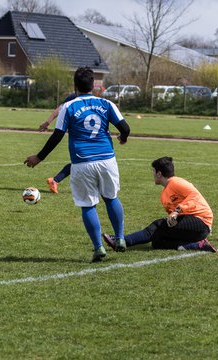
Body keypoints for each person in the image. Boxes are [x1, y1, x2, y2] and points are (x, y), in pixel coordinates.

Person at [24, 67, 130, 262]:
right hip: (107, 159)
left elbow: (57, 136)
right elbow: (125, 127)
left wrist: (39, 157)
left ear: (75, 86)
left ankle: (99, 248)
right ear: (94, 86)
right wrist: (123, 137)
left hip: (82, 162)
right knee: (111, 197)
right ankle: (121, 238)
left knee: (88, 205)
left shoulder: (69, 106)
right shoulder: (107, 104)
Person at [103, 156, 217, 253]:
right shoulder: (164, 194)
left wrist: (176, 212)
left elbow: (194, 198)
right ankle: (196, 245)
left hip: (201, 222)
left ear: (159, 173)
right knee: (157, 241)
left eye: (153, 171)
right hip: (191, 228)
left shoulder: (176, 182)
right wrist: (172, 218)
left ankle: (121, 241)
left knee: (157, 225)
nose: (152, 174)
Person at [38, 93, 76, 194]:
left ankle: (54, 180)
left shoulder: (91, 98)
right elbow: (60, 108)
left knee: (82, 163)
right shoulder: (74, 96)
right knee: (82, 163)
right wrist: (47, 122)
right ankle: (55, 180)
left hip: (87, 138)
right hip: (78, 138)